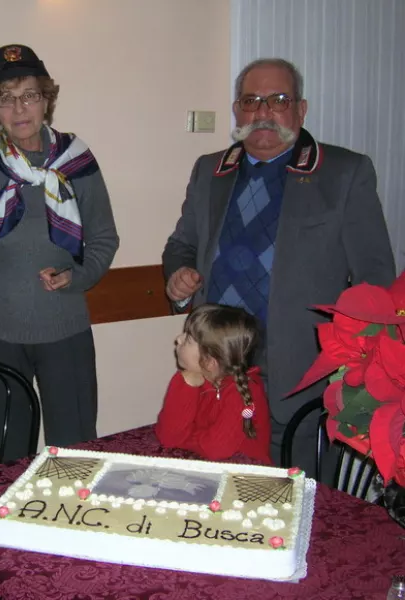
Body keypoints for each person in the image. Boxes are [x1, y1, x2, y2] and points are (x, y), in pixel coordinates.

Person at [162, 58, 395, 472]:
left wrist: (359, 366)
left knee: (299, 498)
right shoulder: (210, 170)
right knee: (216, 478)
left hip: (299, 370)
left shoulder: (343, 172)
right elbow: (182, 245)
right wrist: (178, 276)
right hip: (220, 360)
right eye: (252, 101)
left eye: (278, 100)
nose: (264, 112)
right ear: (237, 110)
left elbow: (374, 279)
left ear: (301, 110)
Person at [0, 44, 119, 461]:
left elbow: (105, 238)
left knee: (75, 457)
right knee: (9, 458)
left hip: (66, 331)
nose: (19, 108)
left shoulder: (78, 162)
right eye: (5, 97)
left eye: (29, 95)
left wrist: (78, 276)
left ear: (47, 99)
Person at [155, 304, 271, 464]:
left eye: (188, 339)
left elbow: (216, 449)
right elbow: (168, 437)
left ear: (210, 362)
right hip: (209, 469)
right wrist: (185, 384)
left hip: (246, 478)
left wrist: (187, 435)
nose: (178, 339)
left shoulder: (244, 393)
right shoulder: (191, 377)